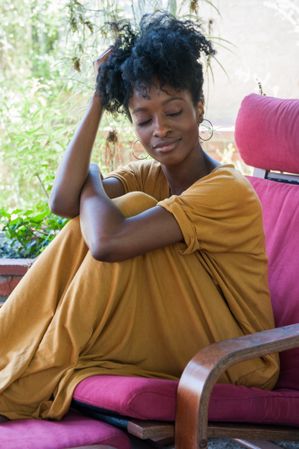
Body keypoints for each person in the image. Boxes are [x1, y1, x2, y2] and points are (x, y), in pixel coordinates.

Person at [0, 12, 279, 421]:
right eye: (144, 119)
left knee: (125, 211)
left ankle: (27, 380)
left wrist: (91, 178)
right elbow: (63, 202)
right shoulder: (148, 176)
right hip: (185, 333)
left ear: (199, 108)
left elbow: (109, 242)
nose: (160, 130)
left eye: (174, 112)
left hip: (237, 358)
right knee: (101, 213)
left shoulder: (227, 190)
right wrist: (99, 97)